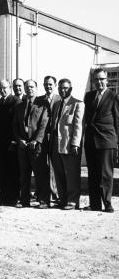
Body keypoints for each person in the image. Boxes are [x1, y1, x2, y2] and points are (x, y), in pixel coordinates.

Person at [83, 68, 119, 213]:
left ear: (107, 80)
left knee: (106, 174)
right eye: (96, 79)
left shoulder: (113, 96)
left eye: (102, 79)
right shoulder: (89, 96)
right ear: (93, 81)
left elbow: (117, 119)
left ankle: (108, 203)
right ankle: (94, 204)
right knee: (93, 173)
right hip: (91, 140)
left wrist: (117, 141)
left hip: (106, 140)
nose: (99, 82)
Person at [13, 80, 49, 208]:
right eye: (27, 87)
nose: (29, 89)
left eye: (32, 87)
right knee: (24, 174)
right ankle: (24, 200)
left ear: (36, 88)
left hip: (36, 145)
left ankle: (44, 200)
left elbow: (44, 125)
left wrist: (36, 140)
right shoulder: (19, 106)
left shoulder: (43, 105)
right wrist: (19, 140)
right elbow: (15, 126)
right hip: (23, 146)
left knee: (40, 174)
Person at [49, 79, 84, 210]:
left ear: (71, 88)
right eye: (61, 88)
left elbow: (78, 126)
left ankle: (72, 201)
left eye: (65, 88)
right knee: (59, 174)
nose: (63, 90)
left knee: (72, 174)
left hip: (69, 145)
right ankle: (63, 199)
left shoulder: (77, 104)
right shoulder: (57, 104)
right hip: (56, 145)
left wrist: (75, 144)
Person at [0, 79, 20, 205]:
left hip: (11, 143)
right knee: (2, 170)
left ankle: (12, 197)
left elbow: (17, 124)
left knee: (12, 171)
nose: (2, 90)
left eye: (5, 87)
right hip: (0, 143)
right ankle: (3, 195)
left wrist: (15, 141)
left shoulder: (15, 101)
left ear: (10, 87)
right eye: (0, 88)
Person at [36, 76, 61, 202]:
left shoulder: (59, 99)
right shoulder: (39, 100)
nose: (48, 86)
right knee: (42, 165)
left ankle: (55, 192)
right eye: (46, 84)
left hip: (55, 136)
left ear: (55, 85)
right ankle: (43, 192)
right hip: (42, 136)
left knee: (55, 165)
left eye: (50, 84)